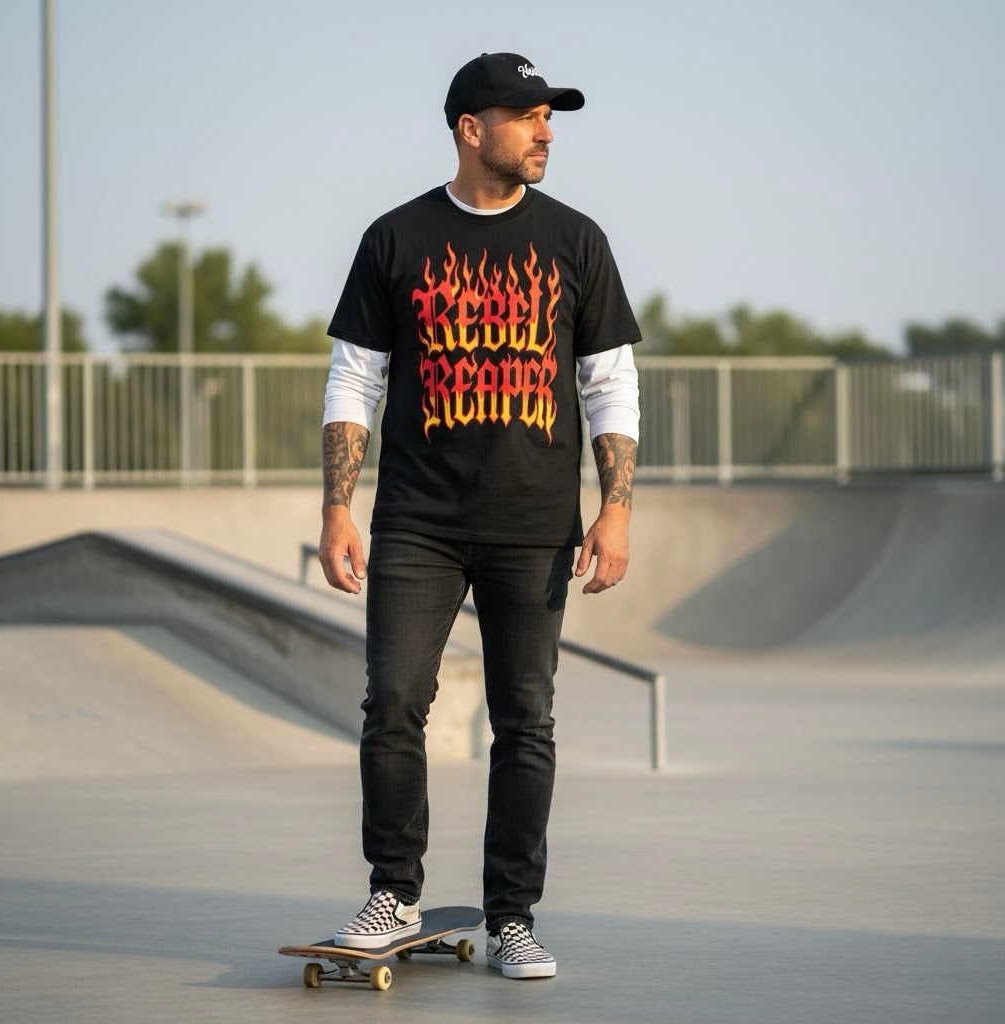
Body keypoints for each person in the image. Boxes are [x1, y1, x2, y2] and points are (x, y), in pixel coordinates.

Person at [317, 51, 640, 980]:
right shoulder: (396, 238)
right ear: (471, 127)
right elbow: (356, 377)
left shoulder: (577, 239)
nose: (546, 132)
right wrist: (338, 507)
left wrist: (615, 511)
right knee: (393, 705)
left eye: (552, 117)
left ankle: (513, 916)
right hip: (415, 518)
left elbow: (609, 383)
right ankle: (394, 890)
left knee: (526, 719)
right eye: (529, 115)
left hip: (535, 523)